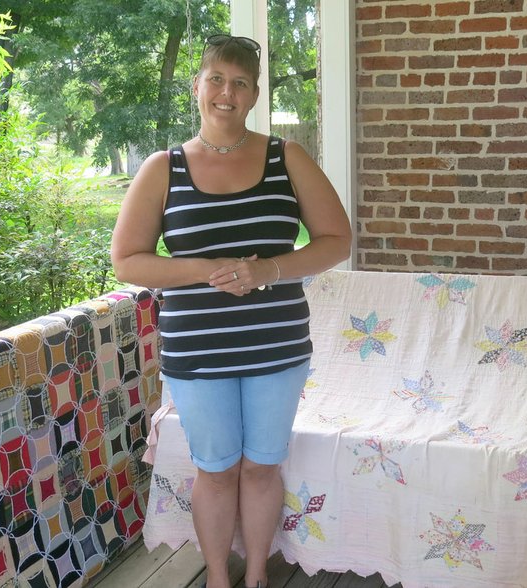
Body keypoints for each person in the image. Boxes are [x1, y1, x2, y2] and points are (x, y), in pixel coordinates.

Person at [111, 33, 351, 588]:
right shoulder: (161, 168)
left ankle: (257, 575)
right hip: (198, 350)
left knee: (262, 465)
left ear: (254, 94)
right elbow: (127, 261)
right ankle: (218, 576)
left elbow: (337, 240)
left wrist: (266, 270)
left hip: (277, 347)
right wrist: (206, 269)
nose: (227, 91)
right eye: (216, 78)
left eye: (240, 82)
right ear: (197, 86)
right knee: (215, 471)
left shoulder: (286, 157)